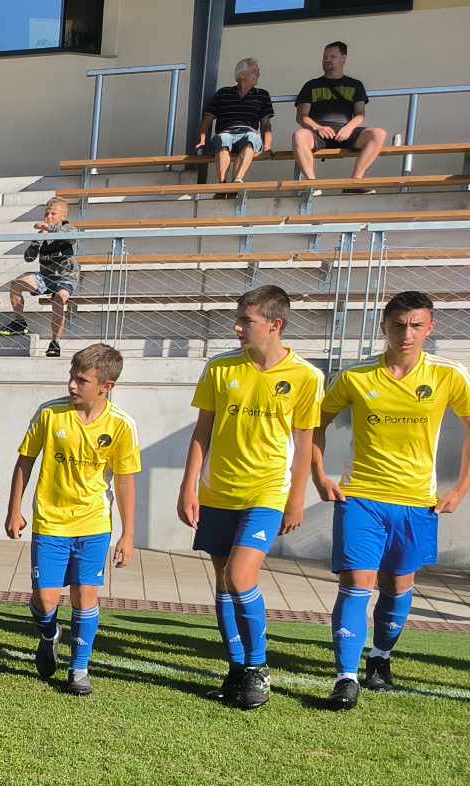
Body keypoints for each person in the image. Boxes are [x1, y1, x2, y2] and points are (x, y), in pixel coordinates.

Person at [313, 290, 470, 709]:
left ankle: (380, 656)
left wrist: (461, 488)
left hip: (417, 501)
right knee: (355, 583)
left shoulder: (449, 375)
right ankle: (346, 677)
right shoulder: (356, 375)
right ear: (383, 327)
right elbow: (314, 423)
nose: (406, 334)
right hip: (361, 497)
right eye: (398, 325)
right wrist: (319, 474)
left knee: (397, 585)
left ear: (430, 328)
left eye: (416, 325)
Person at [178, 285, 324, 710]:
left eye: (247, 321)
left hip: (267, 492)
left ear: (275, 324)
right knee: (224, 582)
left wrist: (297, 498)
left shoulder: (306, 376)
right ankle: (237, 668)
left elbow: (304, 443)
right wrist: (188, 486)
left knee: (241, 577)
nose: (237, 327)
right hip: (218, 491)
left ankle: (258, 667)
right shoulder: (220, 368)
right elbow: (202, 431)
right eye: (238, 319)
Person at [3, 344, 141, 696]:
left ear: (106, 387)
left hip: (94, 525)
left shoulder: (122, 425)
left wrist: (128, 535)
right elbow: (25, 460)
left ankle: (79, 669)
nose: (71, 385)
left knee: (85, 595)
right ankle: (50, 634)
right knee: (46, 600)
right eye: (71, 376)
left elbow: (125, 481)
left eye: (82, 380)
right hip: (50, 522)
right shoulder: (50, 414)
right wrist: (14, 508)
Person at [293, 41, 390, 184]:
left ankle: (355, 182)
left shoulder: (355, 85)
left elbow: (360, 114)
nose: (327, 60)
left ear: (343, 59)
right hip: (318, 132)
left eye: (333, 56)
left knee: (379, 134)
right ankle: (312, 185)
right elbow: (301, 117)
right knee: (299, 135)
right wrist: (317, 128)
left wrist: (348, 128)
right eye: (325, 57)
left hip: (345, 131)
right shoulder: (311, 85)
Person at [0, 198, 77, 358]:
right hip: (45, 277)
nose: (48, 217)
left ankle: (55, 342)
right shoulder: (43, 235)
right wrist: (37, 241)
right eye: (46, 214)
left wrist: (49, 228)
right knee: (16, 285)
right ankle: (19, 323)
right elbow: (28, 258)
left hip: (65, 277)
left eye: (53, 214)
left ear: (63, 216)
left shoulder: (68, 229)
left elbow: (72, 237)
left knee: (59, 299)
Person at [198, 58, 275, 184]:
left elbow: (266, 124)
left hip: (248, 132)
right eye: (254, 71)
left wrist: (267, 146)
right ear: (242, 74)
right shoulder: (222, 93)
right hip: (226, 132)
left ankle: (237, 181)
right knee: (223, 138)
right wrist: (202, 139)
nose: (258, 74)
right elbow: (208, 118)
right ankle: (222, 184)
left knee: (251, 137)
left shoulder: (262, 95)